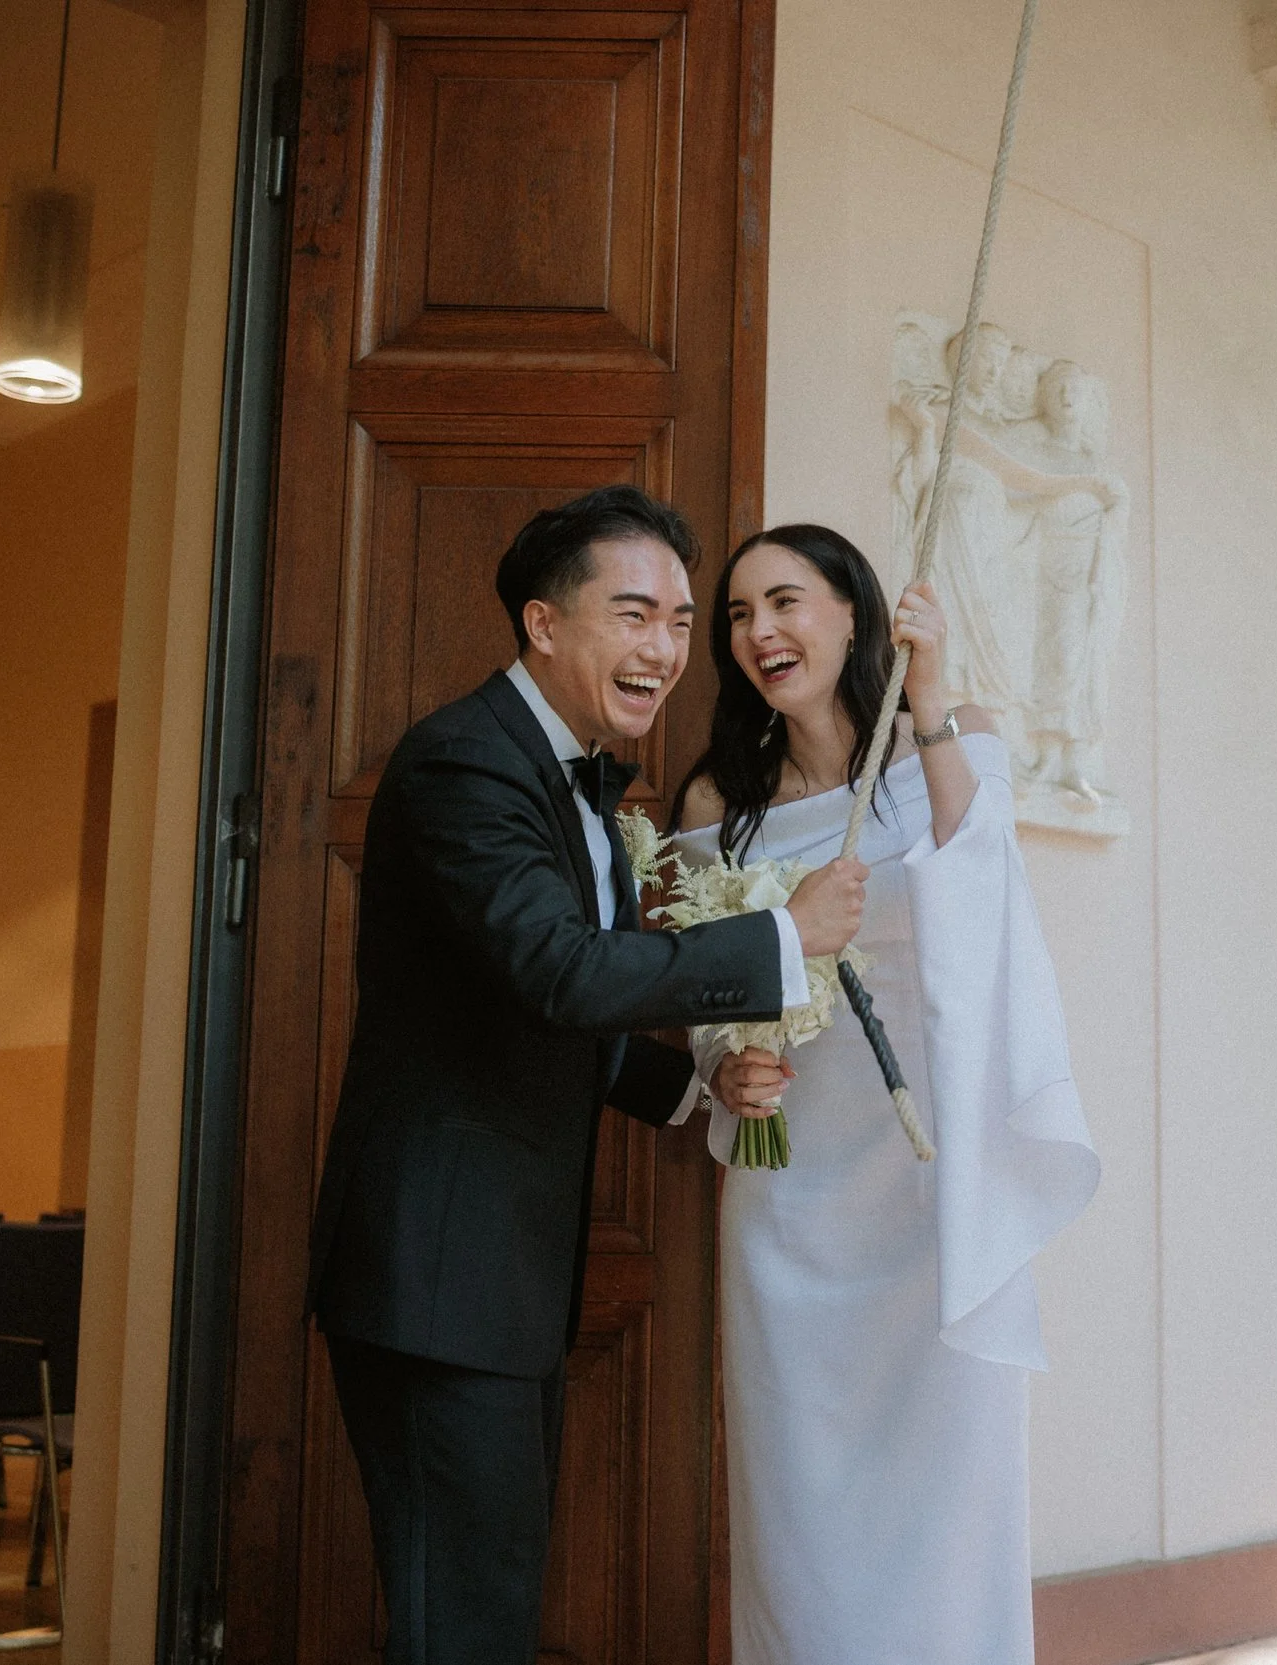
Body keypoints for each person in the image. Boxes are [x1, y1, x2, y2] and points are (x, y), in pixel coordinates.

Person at [305, 486, 869, 1665]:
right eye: (633, 615)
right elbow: (559, 972)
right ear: (543, 625)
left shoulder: (560, 771)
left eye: (677, 622)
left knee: (485, 1603)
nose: (664, 649)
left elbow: (535, 1010)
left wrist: (693, 1090)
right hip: (437, 1280)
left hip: (485, 1287)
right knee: (462, 1621)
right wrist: (782, 939)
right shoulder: (467, 762)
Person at [672, 522, 1101, 1665]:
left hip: (931, 1185)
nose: (759, 631)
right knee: (801, 1503)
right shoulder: (720, 801)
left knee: (952, 1490)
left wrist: (932, 695)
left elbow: (981, 878)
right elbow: (703, 983)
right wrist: (727, 1064)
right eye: (737, 615)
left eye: (786, 601)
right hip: (795, 1188)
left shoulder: (944, 750)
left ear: (854, 613)